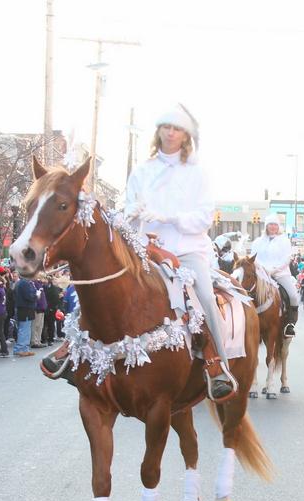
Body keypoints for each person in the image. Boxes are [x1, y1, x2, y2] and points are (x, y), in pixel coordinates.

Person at [123, 103, 236, 399]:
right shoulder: (142, 171)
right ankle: (77, 349)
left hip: (185, 250)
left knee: (206, 297)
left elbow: (204, 217)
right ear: (158, 132)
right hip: (144, 248)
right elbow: (128, 210)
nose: (170, 133)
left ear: (186, 137)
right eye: (166, 127)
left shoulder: (197, 173)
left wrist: (170, 218)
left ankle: (218, 366)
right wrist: (131, 212)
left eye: (177, 129)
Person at [251, 214, 300, 337]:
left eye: (275, 224)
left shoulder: (284, 240)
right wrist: (262, 269)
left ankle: (290, 324)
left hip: (280, 274)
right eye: (270, 224)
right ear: (266, 226)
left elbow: (287, 258)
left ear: (278, 227)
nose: (273, 227)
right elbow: (253, 258)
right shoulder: (258, 242)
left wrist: (274, 270)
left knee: (293, 296)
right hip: (261, 274)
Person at [12, 274, 37, 357]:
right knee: (24, 329)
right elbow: (29, 296)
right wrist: (36, 295)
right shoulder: (24, 283)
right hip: (25, 308)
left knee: (26, 329)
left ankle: (25, 348)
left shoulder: (25, 282)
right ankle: (20, 348)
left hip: (26, 308)